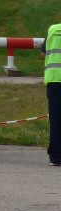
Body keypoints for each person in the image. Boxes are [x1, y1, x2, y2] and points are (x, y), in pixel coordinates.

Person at [45, 22, 61, 167]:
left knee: (56, 121)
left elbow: (44, 52)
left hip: (54, 80)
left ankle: (55, 157)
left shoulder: (53, 29)